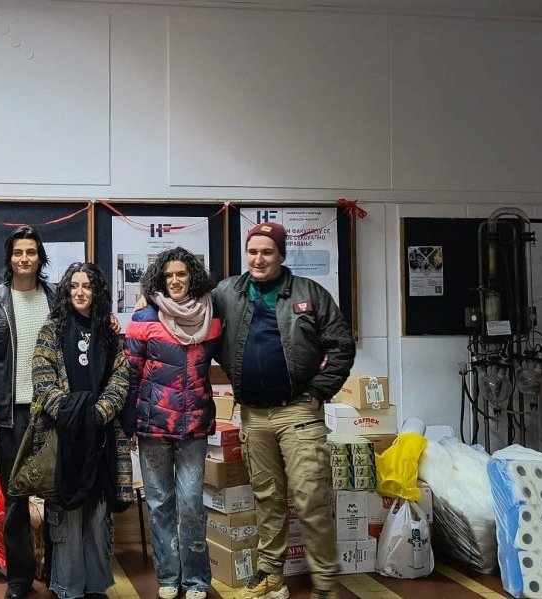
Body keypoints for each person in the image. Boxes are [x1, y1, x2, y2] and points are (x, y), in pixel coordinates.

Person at [215, 223, 355, 599]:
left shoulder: (310, 293)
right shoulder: (228, 292)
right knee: (267, 496)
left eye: (267, 252)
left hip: (298, 413)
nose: (258, 259)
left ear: (281, 255)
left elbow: (341, 345)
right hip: (253, 416)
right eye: (253, 251)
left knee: (311, 497)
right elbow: (189, 309)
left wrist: (318, 392)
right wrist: (150, 302)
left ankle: (325, 582)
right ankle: (270, 574)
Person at [27, 263, 132, 599]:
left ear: (96, 291)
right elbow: (42, 381)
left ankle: (96, 586)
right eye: (74, 286)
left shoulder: (109, 333)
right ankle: (68, 588)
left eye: (87, 286)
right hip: (65, 438)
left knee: (98, 517)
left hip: (102, 438)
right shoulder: (51, 330)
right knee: (68, 518)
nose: (80, 292)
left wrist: (98, 415)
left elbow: (120, 378)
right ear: (66, 291)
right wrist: (74, 417)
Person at [122, 247, 222, 599]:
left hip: (194, 425)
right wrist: (129, 422)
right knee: (160, 503)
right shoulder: (145, 316)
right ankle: (168, 577)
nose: (176, 281)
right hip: (152, 426)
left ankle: (196, 580)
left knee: (192, 503)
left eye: (181, 274)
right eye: (169, 276)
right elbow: (130, 373)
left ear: (192, 276)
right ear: (159, 280)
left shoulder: (211, 316)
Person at [0, 226, 56, 599]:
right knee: (15, 500)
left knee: (57, 496)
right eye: (17, 252)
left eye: (31, 252)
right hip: (10, 416)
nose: (24, 258)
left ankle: (57, 573)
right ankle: (19, 578)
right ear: (9, 258)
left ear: (40, 257)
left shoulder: (57, 299)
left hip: (51, 413)